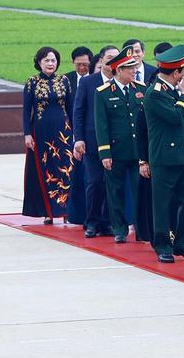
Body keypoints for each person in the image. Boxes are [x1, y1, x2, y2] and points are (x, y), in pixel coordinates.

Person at [143, 45, 184, 264]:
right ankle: (163, 245)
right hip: (164, 157)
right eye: (182, 72)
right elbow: (176, 116)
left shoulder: (170, 90)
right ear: (175, 72)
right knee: (163, 204)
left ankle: (183, 242)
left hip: (182, 156)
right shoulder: (155, 93)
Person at [94, 49, 146, 243]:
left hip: (137, 151)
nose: (134, 71)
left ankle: (141, 228)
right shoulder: (103, 93)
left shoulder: (140, 88)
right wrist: (105, 152)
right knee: (115, 192)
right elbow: (102, 124)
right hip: (116, 151)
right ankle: (119, 228)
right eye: (129, 68)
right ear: (118, 69)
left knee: (139, 190)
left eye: (134, 67)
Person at [22, 47, 75, 224]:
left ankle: (67, 209)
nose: (50, 64)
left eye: (53, 60)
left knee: (65, 168)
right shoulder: (32, 82)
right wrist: (27, 134)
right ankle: (47, 211)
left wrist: (76, 133)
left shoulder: (64, 81)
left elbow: (70, 108)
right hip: (41, 132)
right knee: (45, 169)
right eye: (46, 60)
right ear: (39, 62)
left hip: (63, 132)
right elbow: (26, 110)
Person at [75, 46, 118, 238]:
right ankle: (91, 222)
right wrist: (79, 138)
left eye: (116, 58)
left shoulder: (122, 81)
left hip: (115, 141)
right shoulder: (88, 82)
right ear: (101, 60)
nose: (112, 62)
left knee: (111, 184)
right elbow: (79, 111)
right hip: (92, 141)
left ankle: (107, 222)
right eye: (109, 58)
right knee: (94, 182)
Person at [64, 46, 95, 226]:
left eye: (85, 64)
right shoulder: (66, 80)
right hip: (69, 134)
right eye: (79, 64)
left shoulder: (94, 81)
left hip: (87, 135)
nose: (82, 68)